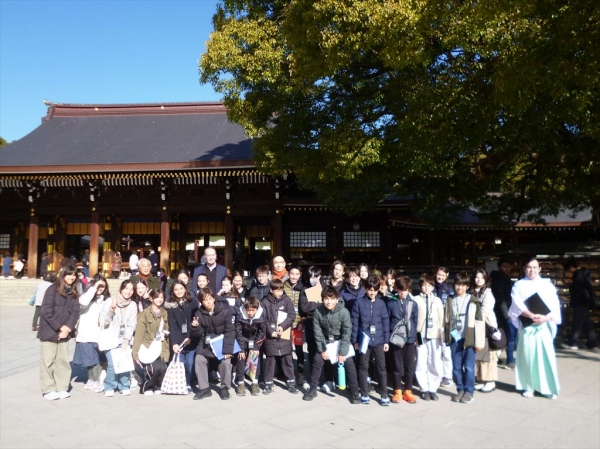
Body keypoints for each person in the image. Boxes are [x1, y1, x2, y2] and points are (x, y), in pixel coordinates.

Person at [508, 257, 561, 399]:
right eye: (529, 267)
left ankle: (548, 388)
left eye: (535, 267)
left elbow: (554, 304)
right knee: (528, 357)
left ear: (540, 269)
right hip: (527, 325)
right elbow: (517, 304)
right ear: (524, 268)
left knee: (546, 356)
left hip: (544, 324)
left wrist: (547, 317)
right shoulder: (518, 285)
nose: (532, 270)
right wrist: (531, 315)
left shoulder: (547, 284)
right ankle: (529, 386)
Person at [37, 265, 81, 400]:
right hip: (50, 330)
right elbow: (46, 311)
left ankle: (62, 387)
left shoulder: (73, 292)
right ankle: (48, 389)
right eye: (69, 274)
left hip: (65, 332)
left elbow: (75, 311)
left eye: (74, 275)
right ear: (63, 275)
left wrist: (68, 327)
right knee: (48, 360)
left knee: (62, 360)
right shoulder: (52, 289)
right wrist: (61, 327)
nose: (72, 277)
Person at [444, 272, 484, 404]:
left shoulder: (473, 300)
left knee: (469, 367)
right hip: (455, 337)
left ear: (467, 286)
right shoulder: (450, 299)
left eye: (462, 285)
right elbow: (446, 319)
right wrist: (446, 336)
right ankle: (460, 389)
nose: (459, 287)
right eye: (457, 284)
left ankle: (469, 391)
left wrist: (479, 341)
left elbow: (479, 322)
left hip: (469, 338)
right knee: (456, 367)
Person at [352, 275, 390, 406]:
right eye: (369, 289)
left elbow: (386, 322)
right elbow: (355, 323)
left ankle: (384, 393)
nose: (372, 292)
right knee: (363, 367)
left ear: (379, 289)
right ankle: (364, 393)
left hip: (379, 340)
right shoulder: (359, 303)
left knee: (382, 368)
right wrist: (355, 340)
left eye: (374, 289)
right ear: (365, 289)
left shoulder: (381, 303)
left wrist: (386, 341)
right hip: (364, 341)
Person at [191, 287, 236, 400]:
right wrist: (195, 327)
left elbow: (230, 331)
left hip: (222, 341)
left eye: (210, 298)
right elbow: (198, 334)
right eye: (205, 300)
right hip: (207, 342)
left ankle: (225, 388)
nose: (208, 302)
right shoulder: (199, 313)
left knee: (226, 361)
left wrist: (228, 350)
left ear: (214, 298)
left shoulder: (225, 310)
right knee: (199, 359)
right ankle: (204, 388)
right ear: (201, 302)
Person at [99, 279, 138, 397]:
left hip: (124, 338)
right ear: (121, 289)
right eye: (126, 288)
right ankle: (109, 385)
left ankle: (124, 385)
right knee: (112, 364)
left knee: (124, 362)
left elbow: (132, 324)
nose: (129, 292)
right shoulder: (110, 301)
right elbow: (104, 321)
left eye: (131, 289)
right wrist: (111, 311)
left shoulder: (132, 305)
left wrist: (126, 339)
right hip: (111, 337)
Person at [74, 274, 110, 394]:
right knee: (90, 360)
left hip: (100, 334)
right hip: (87, 333)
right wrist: (93, 288)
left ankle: (96, 380)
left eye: (102, 286)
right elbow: (83, 302)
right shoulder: (86, 298)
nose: (100, 288)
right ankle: (92, 379)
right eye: (98, 286)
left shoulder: (106, 300)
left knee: (99, 359)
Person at [261, 278, 298, 394]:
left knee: (287, 359)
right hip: (270, 338)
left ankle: (291, 382)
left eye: (281, 290)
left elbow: (292, 315)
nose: (280, 293)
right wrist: (270, 331)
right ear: (271, 290)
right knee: (270, 361)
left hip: (284, 336)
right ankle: (268, 383)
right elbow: (263, 319)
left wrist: (283, 326)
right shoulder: (265, 302)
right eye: (277, 291)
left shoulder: (286, 300)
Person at [387, 275, 419, 404]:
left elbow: (415, 321)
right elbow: (388, 321)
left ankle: (408, 390)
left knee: (409, 365)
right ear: (396, 289)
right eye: (400, 290)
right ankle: (397, 390)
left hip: (410, 339)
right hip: (395, 339)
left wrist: (415, 337)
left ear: (409, 289)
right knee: (396, 365)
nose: (402, 292)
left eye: (405, 290)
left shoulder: (413, 304)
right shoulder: (391, 303)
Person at [132, 289, 170, 395]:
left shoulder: (164, 312)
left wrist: (166, 349)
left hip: (160, 344)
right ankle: (147, 387)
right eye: (157, 297)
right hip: (148, 345)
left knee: (162, 367)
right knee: (152, 368)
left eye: (162, 297)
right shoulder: (145, 314)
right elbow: (139, 334)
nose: (160, 300)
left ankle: (158, 386)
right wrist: (135, 354)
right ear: (152, 299)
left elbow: (166, 330)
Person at [413, 273, 444, 401]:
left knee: (435, 362)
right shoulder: (416, 300)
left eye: (429, 285)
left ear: (432, 287)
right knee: (420, 362)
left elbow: (441, 319)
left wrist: (441, 335)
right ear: (420, 287)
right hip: (420, 335)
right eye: (424, 285)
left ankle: (433, 388)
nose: (426, 288)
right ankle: (424, 388)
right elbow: (412, 318)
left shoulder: (437, 300)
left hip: (434, 335)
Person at [166, 279, 199, 393]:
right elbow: (172, 325)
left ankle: (190, 382)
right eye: (176, 289)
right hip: (179, 340)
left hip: (191, 339)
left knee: (190, 364)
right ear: (172, 291)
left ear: (185, 289)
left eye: (181, 288)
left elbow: (195, 321)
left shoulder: (193, 302)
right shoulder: (171, 304)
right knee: (181, 363)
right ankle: (182, 382)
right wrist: (174, 343)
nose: (179, 291)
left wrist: (190, 336)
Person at [471, 269, 499, 394]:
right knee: (480, 354)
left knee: (489, 355)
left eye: (481, 278)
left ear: (486, 279)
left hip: (487, 327)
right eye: (477, 277)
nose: (479, 280)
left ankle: (490, 381)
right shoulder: (472, 291)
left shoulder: (487, 292)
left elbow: (485, 310)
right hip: (477, 327)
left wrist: (472, 319)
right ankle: (482, 379)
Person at [562, 260, 597, 351]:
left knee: (577, 322)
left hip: (580, 302)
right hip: (585, 302)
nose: (569, 272)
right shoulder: (584, 275)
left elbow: (577, 291)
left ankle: (571, 342)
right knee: (586, 323)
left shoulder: (578, 276)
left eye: (568, 270)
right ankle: (592, 343)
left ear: (571, 267)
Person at [234, 296, 266, 396]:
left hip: (255, 337)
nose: (250, 313)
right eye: (248, 310)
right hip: (242, 337)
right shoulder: (240, 314)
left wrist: (256, 347)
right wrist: (241, 349)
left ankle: (254, 382)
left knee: (255, 357)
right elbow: (238, 332)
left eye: (253, 310)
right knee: (241, 358)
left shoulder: (262, 314)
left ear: (257, 309)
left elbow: (262, 331)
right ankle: (240, 382)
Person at [491, 259, 517, 369]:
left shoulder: (504, 278)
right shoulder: (499, 280)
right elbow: (501, 299)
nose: (507, 268)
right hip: (505, 313)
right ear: (499, 267)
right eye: (504, 266)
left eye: (508, 266)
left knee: (505, 337)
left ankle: (501, 358)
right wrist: (507, 315)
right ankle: (510, 360)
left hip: (505, 311)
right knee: (510, 337)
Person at [283, 264, 307, 377]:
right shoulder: (283, 286)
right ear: (288, 273)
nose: (294, 276)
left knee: (299, 350)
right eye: (292, 273)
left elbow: (308, 307)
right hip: (286, 323)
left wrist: (302, 321)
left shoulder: (305, 287)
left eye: (297, 274)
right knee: (287, 350)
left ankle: (301, 372)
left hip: (299, 323)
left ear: (300, 275)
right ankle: (289, 373)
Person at [434, 266, 454, 386]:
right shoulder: (431, 288)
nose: (440, 277)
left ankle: (448, 376)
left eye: (442, 275)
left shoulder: (449, 291)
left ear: (447, 276)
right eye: (438, 274)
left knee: (446, 352)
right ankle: (438, 374)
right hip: (433, 326)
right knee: (436, 352)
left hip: (445, 325)